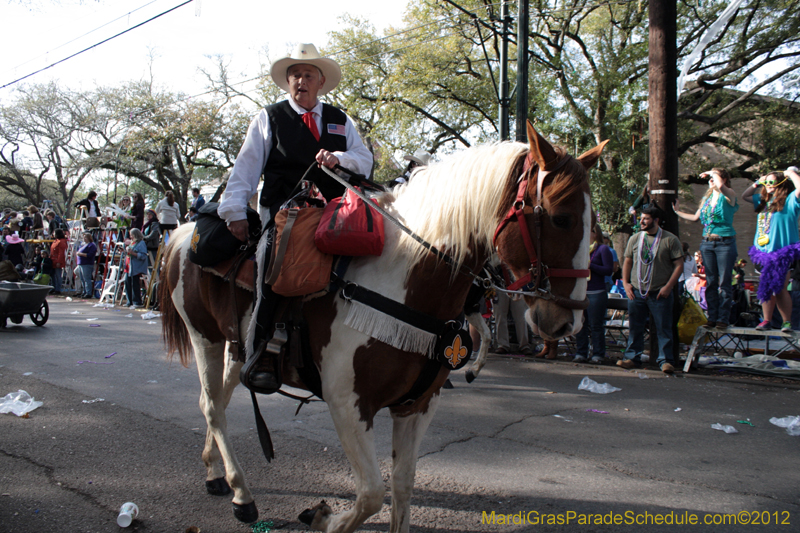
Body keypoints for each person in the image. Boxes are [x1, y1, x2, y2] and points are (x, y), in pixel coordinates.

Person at [217, 43, 373, 393]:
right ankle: (260, 354)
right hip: (283, 215)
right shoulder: (268, 118)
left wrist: (339, 158)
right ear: (288, 83)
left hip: (333, 216)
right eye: (295, 76)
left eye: (307, 75)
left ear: (320, 82)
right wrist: (234, 210)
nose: (300, 81)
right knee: (270, 264)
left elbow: (365, 161)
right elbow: (246, 168)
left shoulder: (340, 120)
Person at [617, 206, 684, 374]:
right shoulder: (635, 239)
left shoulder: (670, 240)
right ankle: (632, 358)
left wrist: (669, 286)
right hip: (637, 291)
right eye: (641, 218)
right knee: (635, 327)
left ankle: (666, 361)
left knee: (663, 327)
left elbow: (679, 265)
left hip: (660, 293)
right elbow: (627, 262)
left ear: (656, 220)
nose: (641, 221)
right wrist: (625, 283)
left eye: (646, 218)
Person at [674, 168, 739, 329]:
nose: (710, 179)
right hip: (707, 243)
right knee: (710, 282)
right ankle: (712, 316)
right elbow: (696, 217)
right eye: (710, 177)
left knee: (724, 281)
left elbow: (721, 185)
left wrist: (712, 172)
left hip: (725, 242)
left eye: (713, 177)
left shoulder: (728, 195)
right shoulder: (708, 198)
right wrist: (676, 212)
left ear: (722, 178)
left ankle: (723, 318)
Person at [742, 166, 800, 332]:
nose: (767, 184)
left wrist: (791, 174)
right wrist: (756, 183)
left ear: (781, 183)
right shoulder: (763, 201)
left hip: (781, 252)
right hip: (763, 252)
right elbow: (744, 196)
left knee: (780, 287)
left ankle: (787, 322)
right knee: (766, 286)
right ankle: (766, 320)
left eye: (771, 181)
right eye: (766, 181)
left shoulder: (790, 200)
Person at [574, 224, 614, 364]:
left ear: (595, 233)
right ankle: (581, 352)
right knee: (581, 324)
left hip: (596, 292)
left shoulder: (603, 249)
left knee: (596, 325)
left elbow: (609, 270)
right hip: (582, 291)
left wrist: (591, 266)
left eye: (589, 231)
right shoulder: (582, 249)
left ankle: (598, 354)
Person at [493, 264, 533, 355]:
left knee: (521, 317)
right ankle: (503, 345)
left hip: (518, 284)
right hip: (499, 285)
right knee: (500, 316)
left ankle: (524, 345)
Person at [125, 228, 148, 308]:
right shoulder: (132, 243)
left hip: (135, 267)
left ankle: (137, 302)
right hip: (128, 266)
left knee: (135, 284)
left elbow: (143, 256)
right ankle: (129, 301)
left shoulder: (141, 243)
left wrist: (133, 253)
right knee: (127, 283)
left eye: (131, 235)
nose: (130, 236)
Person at [75, 232, 97, 298]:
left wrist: (81, 254)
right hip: (81, 263)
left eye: (85, 237)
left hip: (87, 264)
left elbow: (90, 255)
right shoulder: (84, 245)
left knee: (86, 279)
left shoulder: (91, 245)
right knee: (82, 278)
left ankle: (88, 293)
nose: (84, 239)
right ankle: (84, 291)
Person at [50, 229, 68, 294]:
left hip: (57, 261)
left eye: (54, 233)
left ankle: (58, 289)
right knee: (53, 276)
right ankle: (53, 288)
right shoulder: (56, 241)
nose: (53, 234)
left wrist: (58, 262)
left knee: (58, 276)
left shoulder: (61, 241)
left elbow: (61, 253)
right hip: (52, 260)